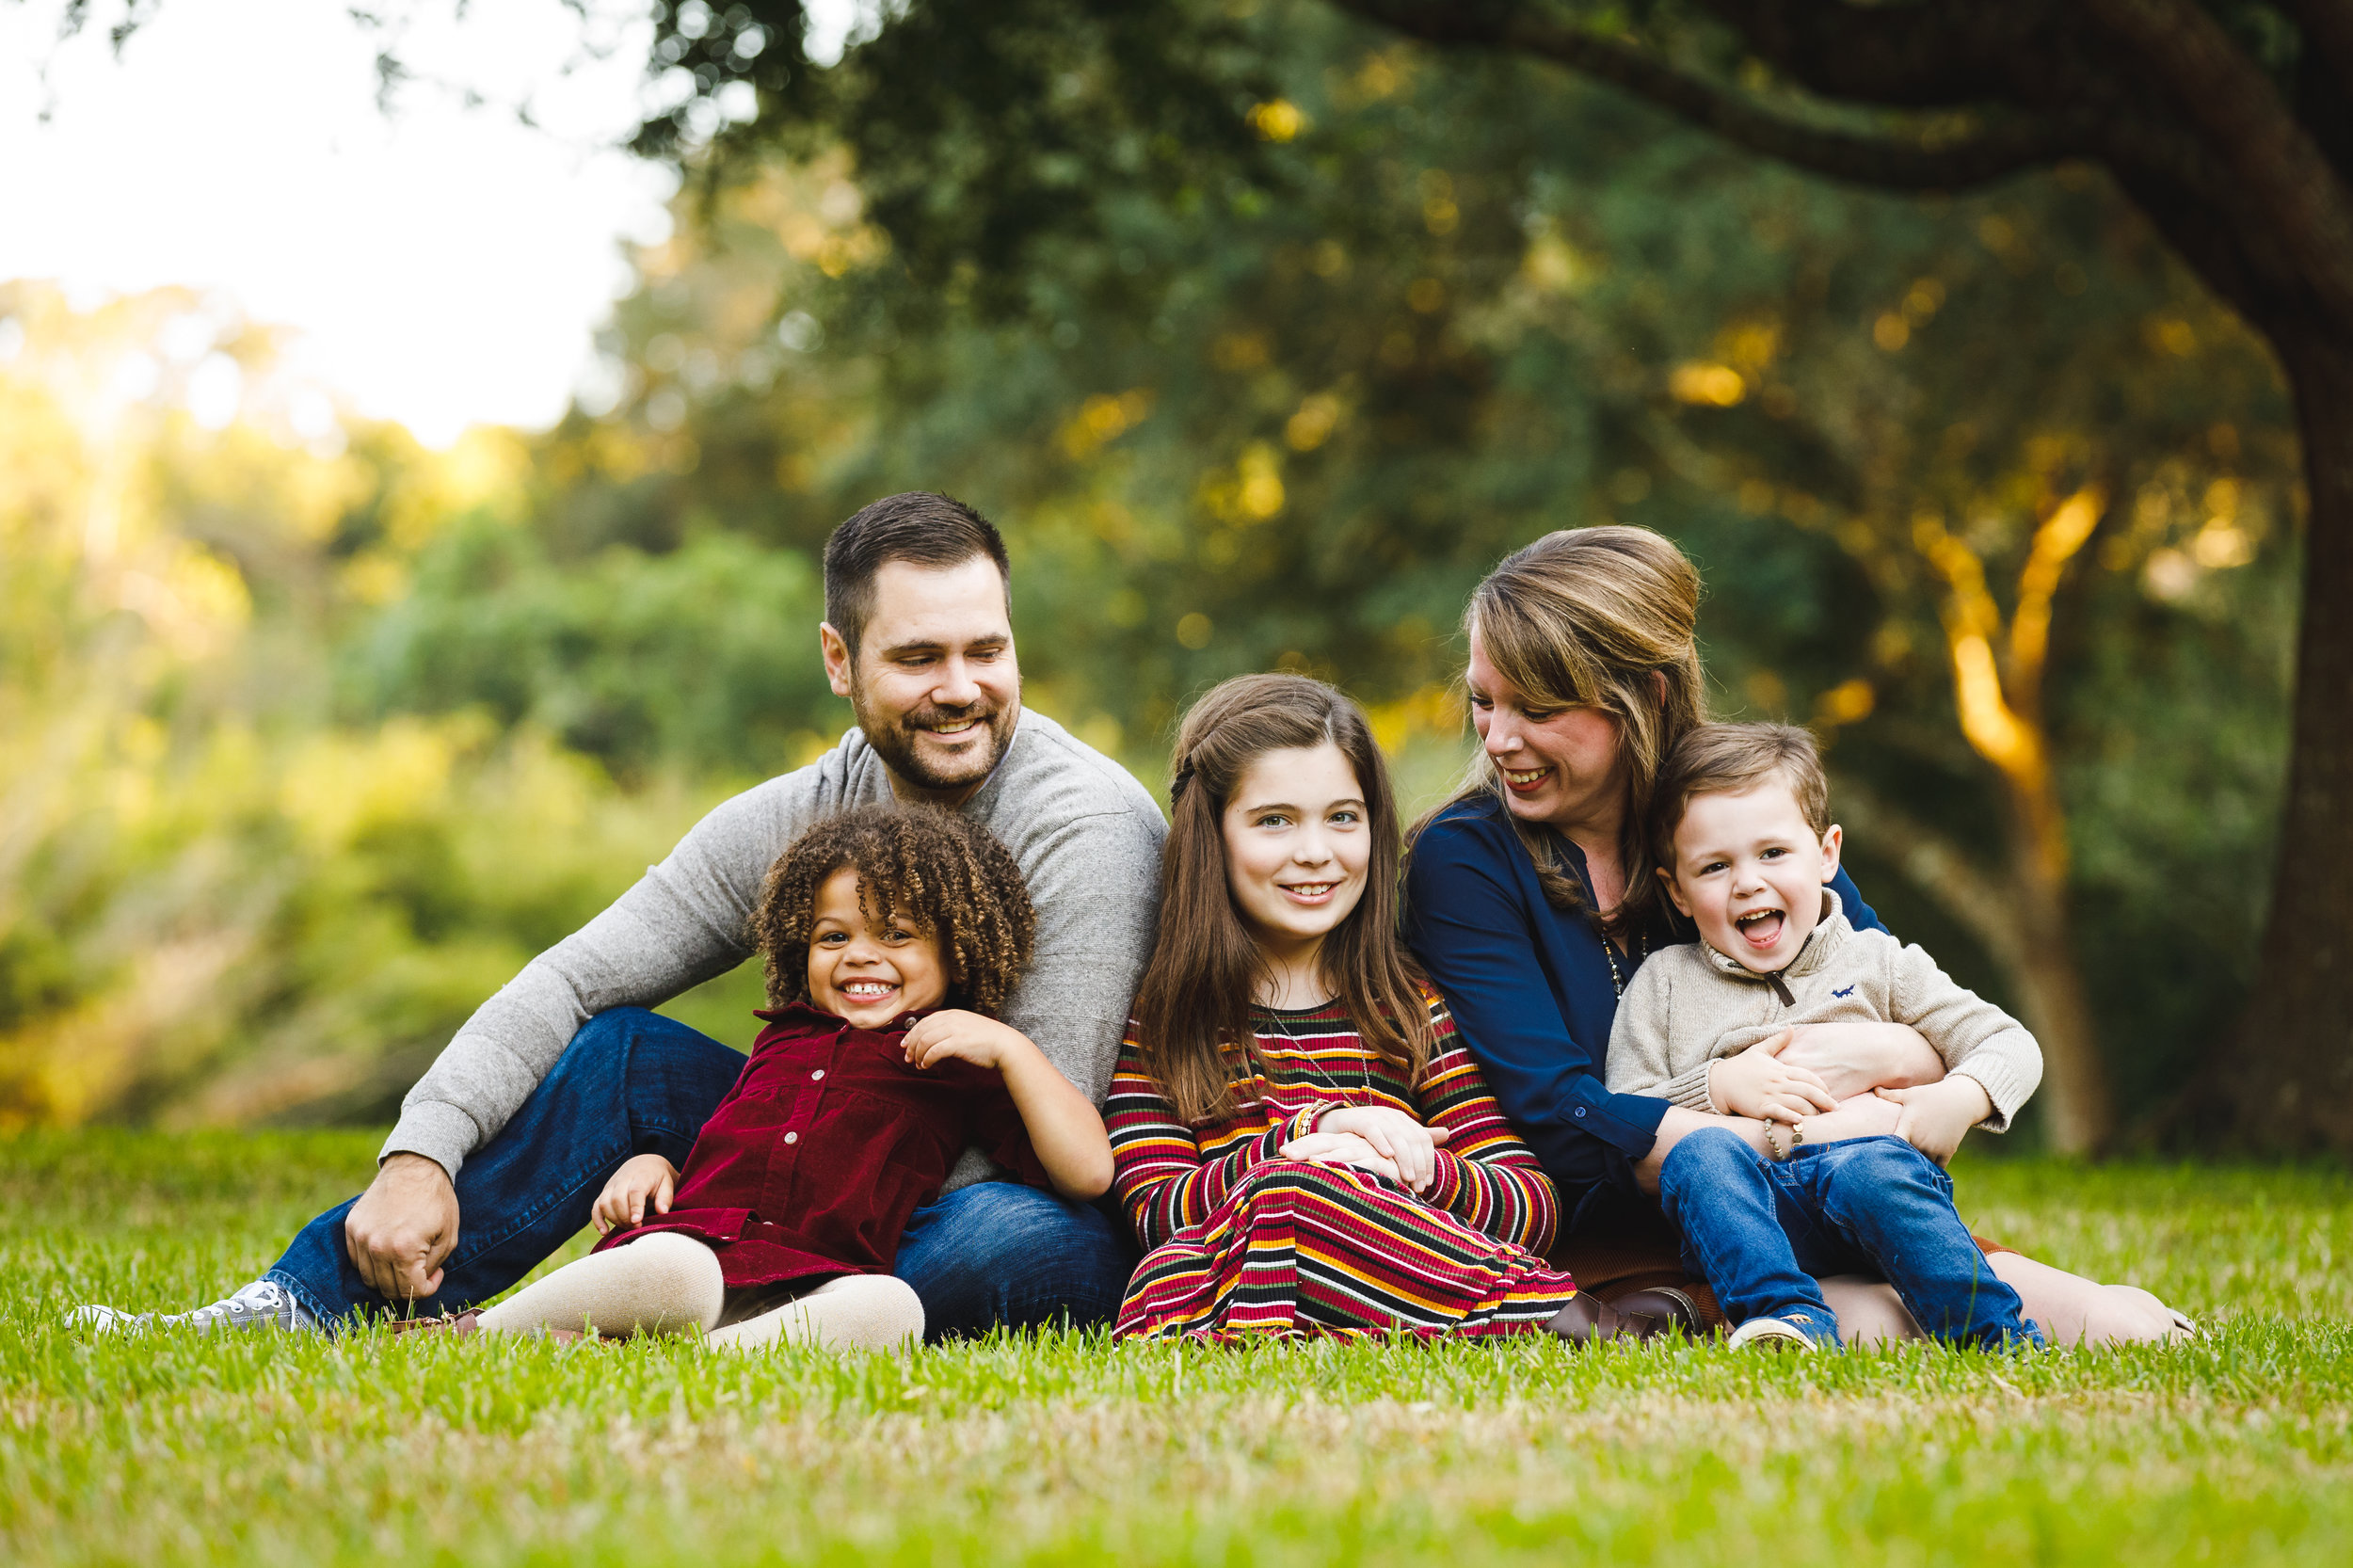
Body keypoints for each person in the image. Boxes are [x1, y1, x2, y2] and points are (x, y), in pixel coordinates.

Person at [72, 493, 1162, 1339]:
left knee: (1006, 1238)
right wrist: (421, 1153)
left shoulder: (1088, 825)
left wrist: (761, 1221)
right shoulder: (806, 811)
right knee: (622, 1053)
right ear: (839, 661)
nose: (961, 686)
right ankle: (318, 1300)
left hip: (1004, 1193)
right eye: (918, 656)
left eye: (987, 649)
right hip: (829, 1160)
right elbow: (576, 975)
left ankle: (735, 1310)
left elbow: (1044, 1144)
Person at [1402, 526, 2189, 1346]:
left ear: (1647, 695)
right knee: (1876, 1313)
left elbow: (1889, 996)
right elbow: (1559, 1112)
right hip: (1623, 1224)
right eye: (1483, 701)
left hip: (1828, 1183)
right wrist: (1776, 1122)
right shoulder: (1466, 860)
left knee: (2085, 1311)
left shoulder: (1733, 822)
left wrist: (1891, 1067)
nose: (1497, 739)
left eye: (1536, 708)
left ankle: (2065, 1309)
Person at [403, 807, 1112, 1351]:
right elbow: (727, 1143)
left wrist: (1013, 1051)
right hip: (689, 1255)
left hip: (811, 1284)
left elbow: (1087, 1173)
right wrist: (654, 1161)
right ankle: (484, 1331)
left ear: (956, 952)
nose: (861, 957)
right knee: (679, 1272)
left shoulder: (953, 1059)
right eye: (834, 937)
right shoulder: (784, 1036)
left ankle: (691, 1364)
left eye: (895, 935)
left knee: (893, 1308)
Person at [1107, 673, 1678, 1345]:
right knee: (1290, 1195)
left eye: (1342, 817)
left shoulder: (1406, 1005)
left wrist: (1413, 1168)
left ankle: (1551, 1316)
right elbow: (1156, 1214)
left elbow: (1531, 1204)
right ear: (1213, 835)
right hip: (1224, 1297)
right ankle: (1570, 1321)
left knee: (1306, 1197)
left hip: (1402, 1289)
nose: (1316, 852)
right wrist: (1308, 1141)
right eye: (1274, 821)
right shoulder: (1168, 1019)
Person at [1607, 722, 2043, 1351]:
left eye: (1773, 853)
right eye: (1714, 866)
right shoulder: (1665, 984)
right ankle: (1784, 1319)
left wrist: (1959, 1099)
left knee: (1870, 1168)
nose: (1748, 882)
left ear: (1827, 854)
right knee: (1700, 1156)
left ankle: (1991, 1331)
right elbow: (1628, 1111)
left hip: (1873, 1189)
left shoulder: (1879, 962)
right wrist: (1716, 1084)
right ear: (1675, 889)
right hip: (1748, 1213)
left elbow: (2008, 1044)